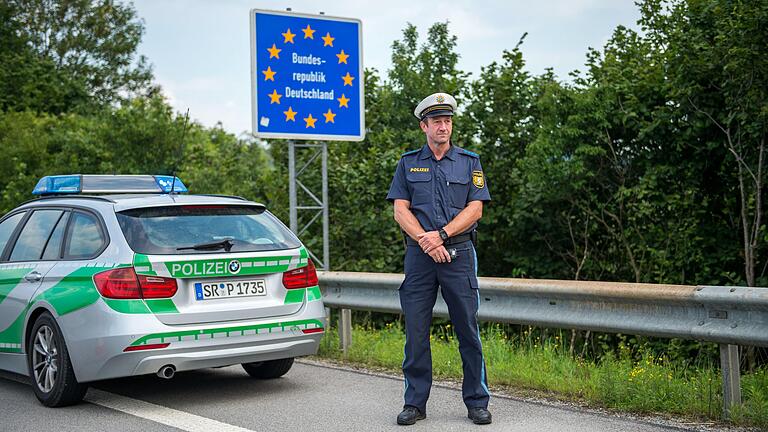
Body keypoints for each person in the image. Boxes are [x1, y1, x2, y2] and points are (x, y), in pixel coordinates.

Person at [386, 92, 492, 425]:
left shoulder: (470, 162)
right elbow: (399, 209)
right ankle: (415, 403)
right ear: (424, 126)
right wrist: (426, 241)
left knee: (467, 330)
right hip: (419, 257)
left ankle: (477, 400)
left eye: (447, 121)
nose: (443, 126)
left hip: (459, 253)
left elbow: (476, 208)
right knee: (416, 332)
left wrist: (442, 235)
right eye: (436, 122)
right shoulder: (408, 162)